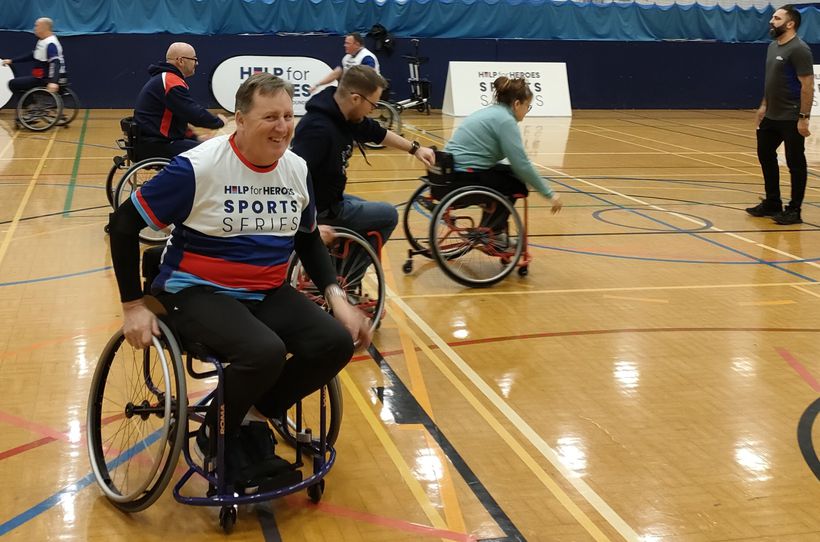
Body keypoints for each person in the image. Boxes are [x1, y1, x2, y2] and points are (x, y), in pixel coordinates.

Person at [107, 73, 371, 492]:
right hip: (194, 291)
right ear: (239, 121)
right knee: (264, 351)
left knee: (334, 342)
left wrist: (338, 299)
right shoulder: (199, 167)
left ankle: (247, 416)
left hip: (265, 290)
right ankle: (221, 432)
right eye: (270, 117)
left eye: (288, 116)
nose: (283, 127)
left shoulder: (296, 169)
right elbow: (122, 226)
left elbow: (305, 238)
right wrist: (132, 306)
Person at [292, 65, 435, 255]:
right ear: (355, 98)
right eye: (373, 105)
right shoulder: (318, 130)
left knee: (368, 207)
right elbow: (295, 181)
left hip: (331, 201)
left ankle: (336, 264)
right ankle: (343, 279)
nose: (373, 110)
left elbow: (377, 132)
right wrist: (312, 225)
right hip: (319, 210)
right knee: (388, 215)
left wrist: (415, 149)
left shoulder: (342, 113)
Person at [441, 76, 562, 245]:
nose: (528, 110)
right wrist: (549, 194)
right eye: (528, 106)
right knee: (516, 183)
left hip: (450, 167)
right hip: (466, 174)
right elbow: (522, 165)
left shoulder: (491, 112)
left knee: (506, 174)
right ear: (517, 104)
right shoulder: (506, 121)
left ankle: (488, 224)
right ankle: (494, 233)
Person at [747, 4, 813, 226]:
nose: (771, 21)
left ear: (790, 23)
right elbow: (771, 81)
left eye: (776, 18)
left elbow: (807, 85)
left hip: (791, 116)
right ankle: (773, 202)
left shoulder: (799, 49)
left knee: (796, 163)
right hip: (772, 115)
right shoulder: (773, 47)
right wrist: (764, 105)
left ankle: (794, 210)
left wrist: (804, 117)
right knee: (765, 154)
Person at [132, 42, 227, 161]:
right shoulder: (170, 81)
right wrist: (218, 122)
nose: (197, 63)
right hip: (157, 145)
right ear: (181, 61)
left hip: (153, 141)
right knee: (211, 153)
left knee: (205, 147)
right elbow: (192, 112)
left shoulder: (165, 78)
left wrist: (195, 138)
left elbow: (178, 118)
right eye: (194, 59)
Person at [2, 17, 66, 96]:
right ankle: (32, 104)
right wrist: (12, 61)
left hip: (46, 79)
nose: (34, 28)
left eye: (36, 26)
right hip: (42, 77)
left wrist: (53, 82)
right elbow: (33, 55)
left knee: (13, 83)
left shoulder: (51, 43)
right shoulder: (43, 41)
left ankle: (30, 105)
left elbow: (56, 62)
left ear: (44, 28)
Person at [309, 32, 380, 94]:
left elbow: (369, 78)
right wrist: (317, 85)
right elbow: (336, 73)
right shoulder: (347, 58)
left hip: (368, 91)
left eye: (347, 43)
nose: (344, 45)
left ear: (357, 44)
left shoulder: (367, 57)